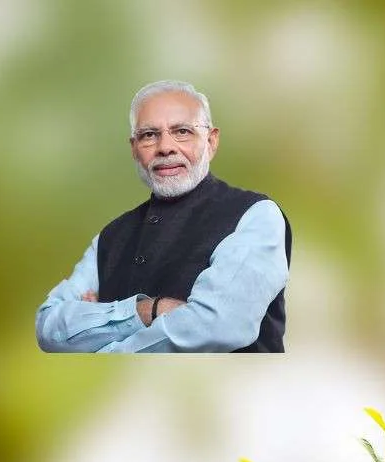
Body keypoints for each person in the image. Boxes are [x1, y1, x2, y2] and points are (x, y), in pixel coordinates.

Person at [36, 80, 290, 353]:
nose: (165, 147)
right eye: (149, 135)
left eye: (182, 131)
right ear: (134, 148)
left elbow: (216, 326)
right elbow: (49, 328)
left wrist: (96, 334)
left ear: (211, 141)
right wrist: (145, 311)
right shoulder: (110, 237)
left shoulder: (255, 216)